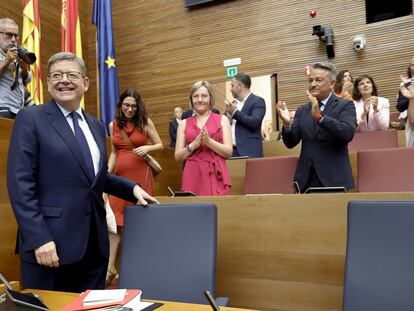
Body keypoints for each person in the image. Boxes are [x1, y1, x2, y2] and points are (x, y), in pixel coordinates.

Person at [7, 52, 159, 293]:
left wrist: (132, 188)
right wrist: (39, 239)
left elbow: (97, 177)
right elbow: (20, 183)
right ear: (47, 83)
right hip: (49, 248)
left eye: (71, 75)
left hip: (93, 246)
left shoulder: (97, 126)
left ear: (85, 83)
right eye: (56, 75)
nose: (63, 80)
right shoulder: (31, 119)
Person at [106, 87, 163, 284]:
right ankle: (110, 267)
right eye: (126, 106)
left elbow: (160, 144)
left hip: (141, 176)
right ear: (120, 106)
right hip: (120, 179)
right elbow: (114, 152)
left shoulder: (146, 122)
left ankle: (130, 268)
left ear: (138, 107)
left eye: (133, 106)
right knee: (114, 222)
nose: (129, 109)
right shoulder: (113, 124)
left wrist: (148, 147)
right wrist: (106, 173)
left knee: (136, 223)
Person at [276, 62, 357, 193]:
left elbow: (347, 133)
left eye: (318, 80)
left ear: (332, 83)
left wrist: (320, 117)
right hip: (305, 179)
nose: (313, 84)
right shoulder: (302, 110)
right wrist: (287, 124)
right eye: (310, 80)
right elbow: (291, 143)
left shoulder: (345, 105)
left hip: (334, 178)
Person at [175, 80, 232, 195]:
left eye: (204, 96)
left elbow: (228, 152)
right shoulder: (184, 123)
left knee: (218, 210)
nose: (200, 100)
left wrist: (209, 142)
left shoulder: (222, 120)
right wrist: (194, 145)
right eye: (196, 96)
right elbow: (178, 156)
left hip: (215, 173)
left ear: (210, 98)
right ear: (191, 99)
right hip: (192, 173)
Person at [224, 73, 266, 158]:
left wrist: (235, 113)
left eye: (232, 86)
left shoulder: (258, 101)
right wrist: (228, 119)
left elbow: (254, 122)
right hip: (231, 152)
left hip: (249, 152)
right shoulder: (233, 104)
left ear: (240, 86)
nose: (230, 89)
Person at [0, 18, 31, 119]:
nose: (13, 39)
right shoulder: (9, 57)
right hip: (3, 109)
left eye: (16, 35)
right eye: (9, 35)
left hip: (19, 111)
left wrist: (24, 67)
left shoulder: (17, 54)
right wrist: (6, 61)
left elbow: (26, 80)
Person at [396, 56, 414, 145]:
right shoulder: (405, 84)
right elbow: (399, 107)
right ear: (409, 68)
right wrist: (411, 97)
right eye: (413, 65)